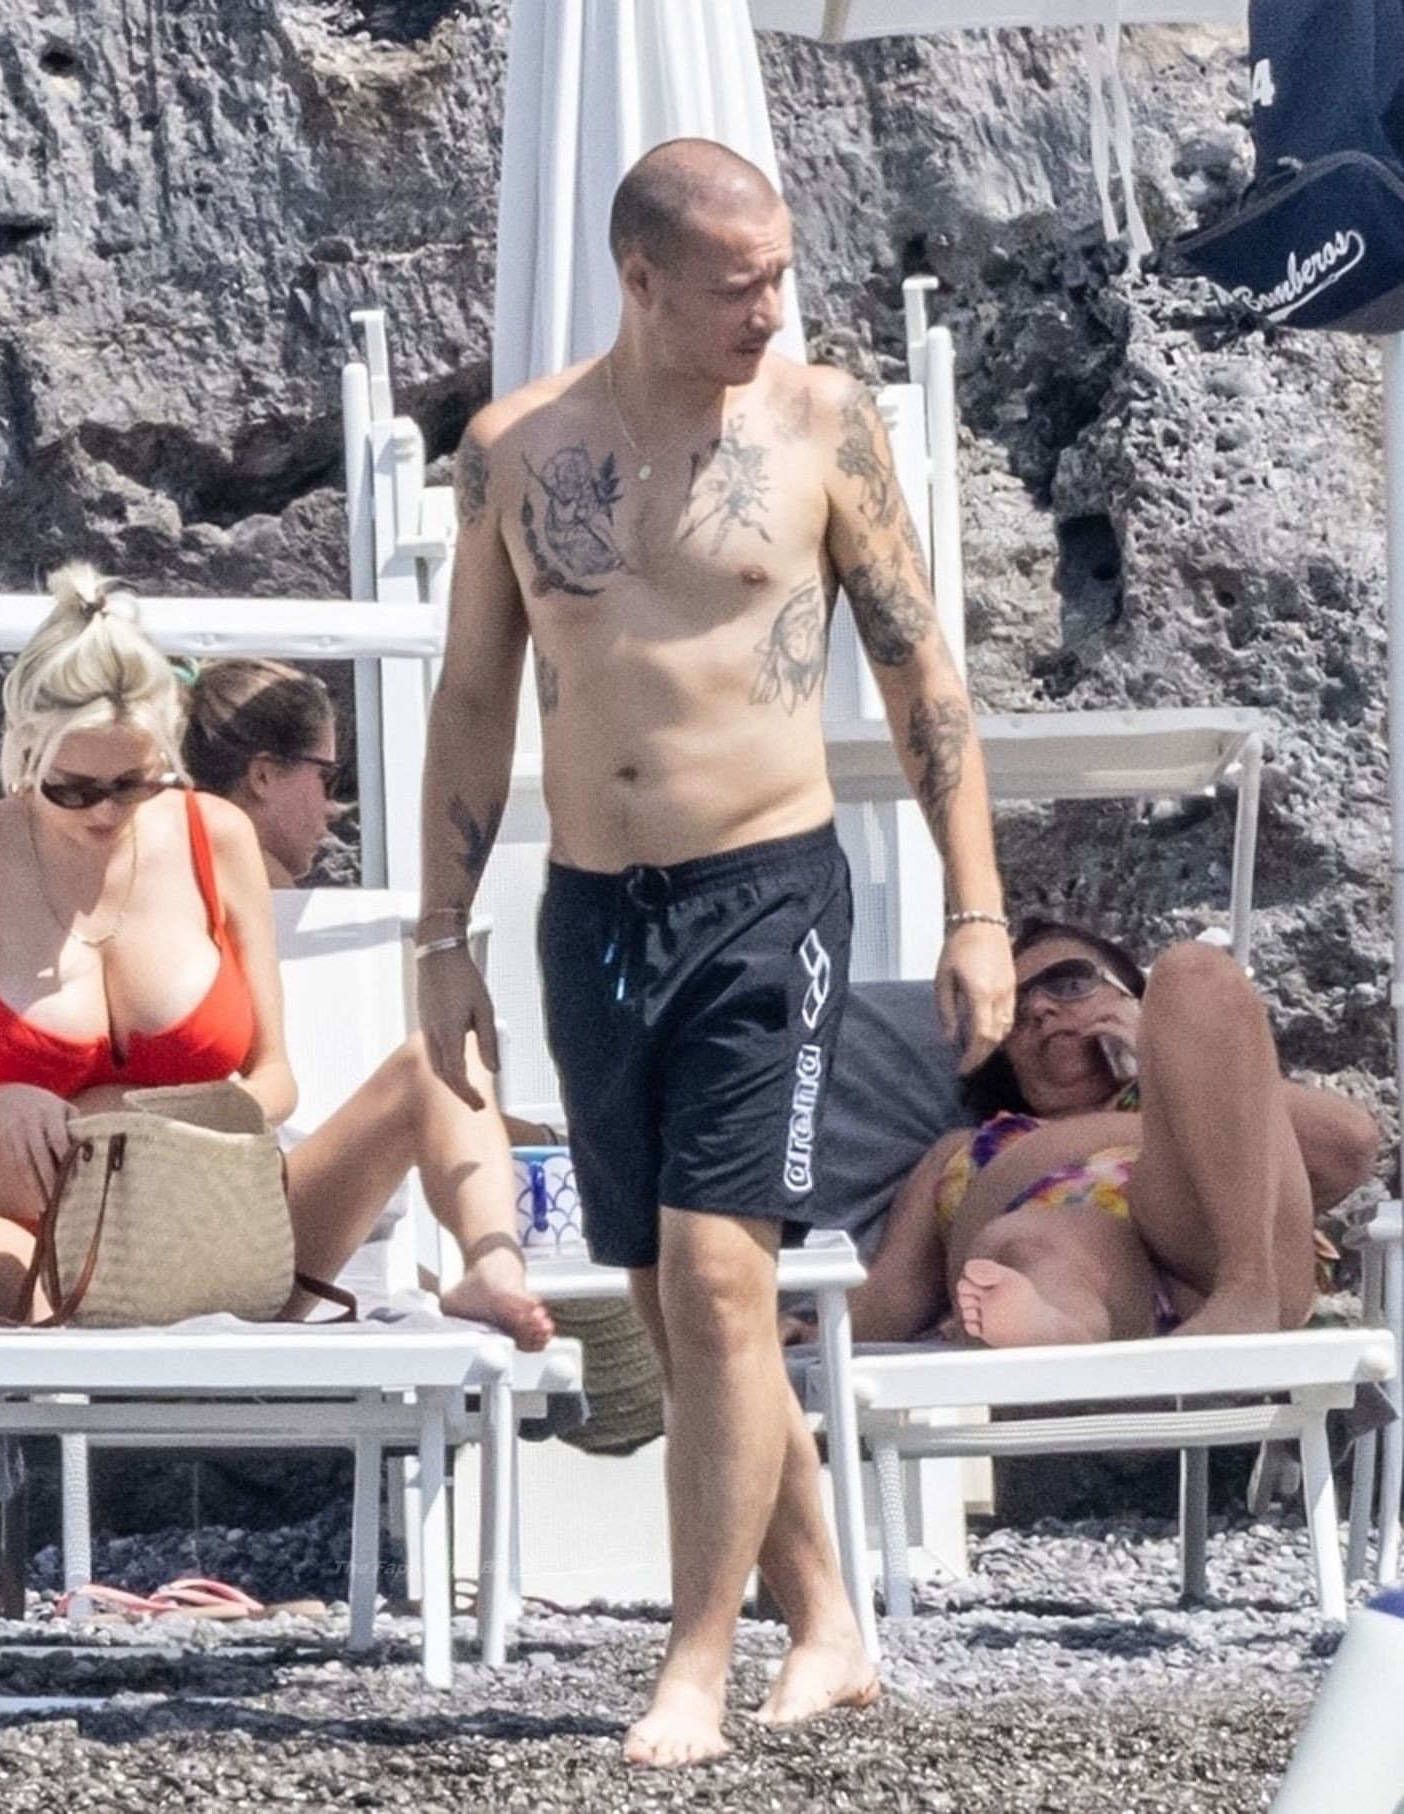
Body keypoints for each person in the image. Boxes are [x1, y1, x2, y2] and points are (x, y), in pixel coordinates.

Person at [415, 139, 1017, 1767]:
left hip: (767, 894)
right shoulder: (515, 451)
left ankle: (698, 1663)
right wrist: (437, 937)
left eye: (780, 276)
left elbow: (921, 668)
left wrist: (976, 906)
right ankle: (828, 1620)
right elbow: (471, 696)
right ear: (643, 279)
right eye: (740, 284)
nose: (771, 308)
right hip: (596, 915)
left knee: (720, 1273)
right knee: (672, 1298)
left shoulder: (821, 422)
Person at [0, 566, 546, 1343]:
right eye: (73, 789)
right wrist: (1, 1105)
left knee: (439, 1064)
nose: (104, 812)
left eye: (133, 784)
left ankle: (493, 1270)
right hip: (28, 1263)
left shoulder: (217, 838)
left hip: (225, 1240)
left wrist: (201, 1125)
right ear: (25, 754)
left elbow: (277, 1076)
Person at [181, 657, 553, 1346]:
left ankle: (488, 1272)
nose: (333, 811)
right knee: (439, 1064)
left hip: (232, 1224)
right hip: (234, 1231)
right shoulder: (299, 934)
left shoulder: (140, 906)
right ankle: (494, 1264)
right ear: (263, 777)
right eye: (327, 777)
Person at [839, 919, 1379, 1350]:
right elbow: (894, 1290)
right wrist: (818, 1328)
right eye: (1013, 1010)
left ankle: (1245, 1294)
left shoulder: (1182, 1108)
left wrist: (1158, 1055)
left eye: (1070, 981)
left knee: (1196, 972)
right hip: (1089, 1272)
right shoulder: (962, 1149)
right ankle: (1054, 1326)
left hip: (1212, 1252)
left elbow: (1345, 1146)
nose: (1040, 1007)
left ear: (1133, 999)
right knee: (1031, 1244)